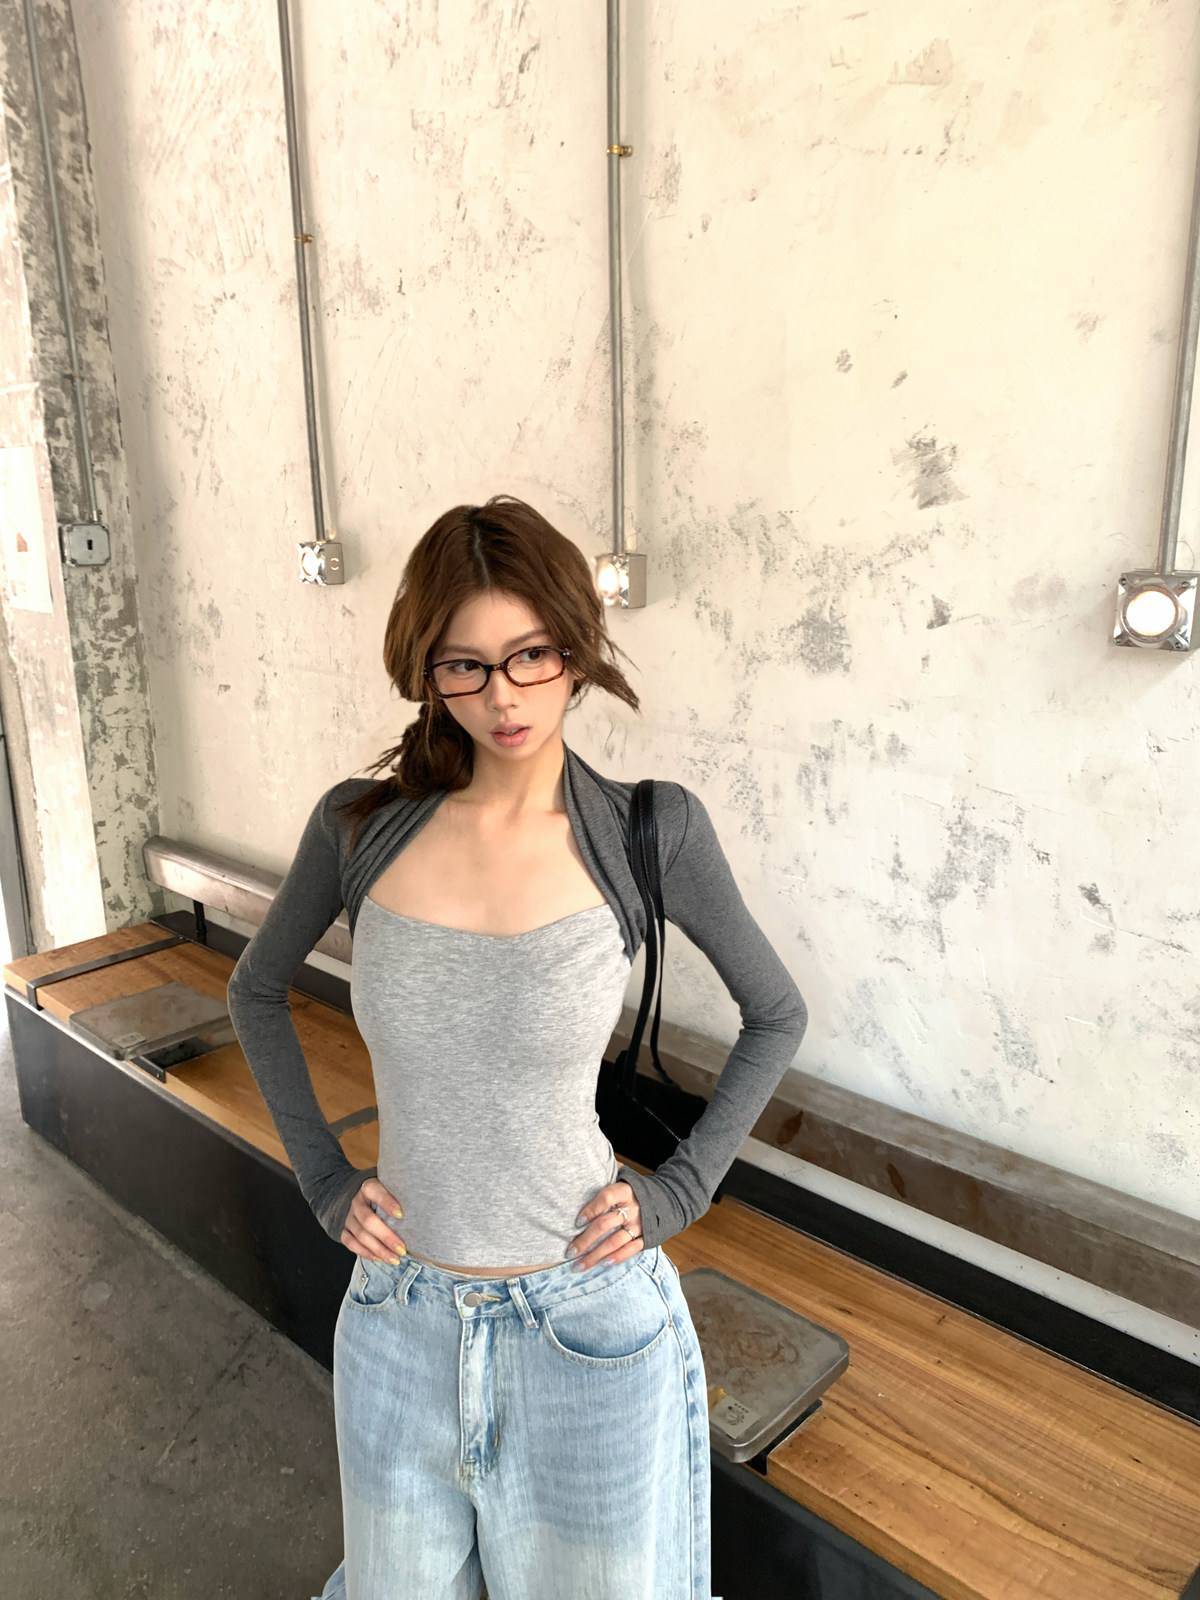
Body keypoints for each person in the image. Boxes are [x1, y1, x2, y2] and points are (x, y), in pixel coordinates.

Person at [226, 495, 807, 1600]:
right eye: (466, 665)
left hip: (587, 1326)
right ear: (426, 670)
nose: (504, 697)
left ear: (576, 649)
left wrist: (681, 1190)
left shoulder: (646, 831)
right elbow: (255, 989)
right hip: (398, 1319)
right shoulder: (358, 826)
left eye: (531, 654)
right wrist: (324, 1179)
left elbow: (775, 1012)